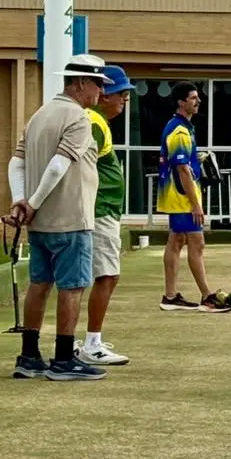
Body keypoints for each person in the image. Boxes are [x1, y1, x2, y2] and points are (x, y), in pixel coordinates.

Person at [5, 53, 111, 381]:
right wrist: (33, 203)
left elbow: (16, 162)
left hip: (39, 224)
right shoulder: (78, 118)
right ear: (79, 82)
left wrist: (20, 201)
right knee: (72, 288)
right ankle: (64, 359)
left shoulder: (39, 115)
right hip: (71, 218)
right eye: (97, 83)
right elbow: (59, 165)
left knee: (39, 285)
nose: (101, 91)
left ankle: (29, 356)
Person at [156, 82, 231, 313]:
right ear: (181, 102)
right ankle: (207, 297)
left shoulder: (181, 127)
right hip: (182, 198)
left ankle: (170, 296)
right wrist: (195, 205)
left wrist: (197, 158)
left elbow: (182, 163)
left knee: (176, 241)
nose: (198, 101)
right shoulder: (180, 131)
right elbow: (182, 169)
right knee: (197, 242)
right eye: (193, 98)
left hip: (177, 196)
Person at [76, 64, 134, 366]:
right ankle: (92, 343)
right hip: (99, 211)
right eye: (122, 94)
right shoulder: (94, 121)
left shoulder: (96, 121)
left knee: (101, 275)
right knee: (106, 275)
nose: (125, 100)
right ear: (105, 94)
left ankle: (88, 341)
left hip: (99, 210)